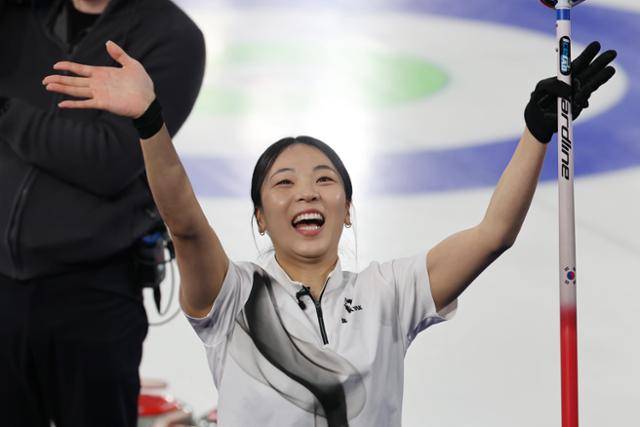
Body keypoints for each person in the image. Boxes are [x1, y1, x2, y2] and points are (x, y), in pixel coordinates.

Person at [42, 39, 616, 426]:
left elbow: (494, 233)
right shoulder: (232, 297)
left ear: (348, 209)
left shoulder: (391, 293)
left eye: (324, 180)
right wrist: (150, 123)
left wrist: (537, 132)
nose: (307, 193)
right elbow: (186, 225)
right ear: (260, 217)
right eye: (283, 183)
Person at [0, 0, 205, 426]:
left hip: (93, 294)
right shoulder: (17, 16)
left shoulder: (170, 36)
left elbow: (107, 160)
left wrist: (6, 113)